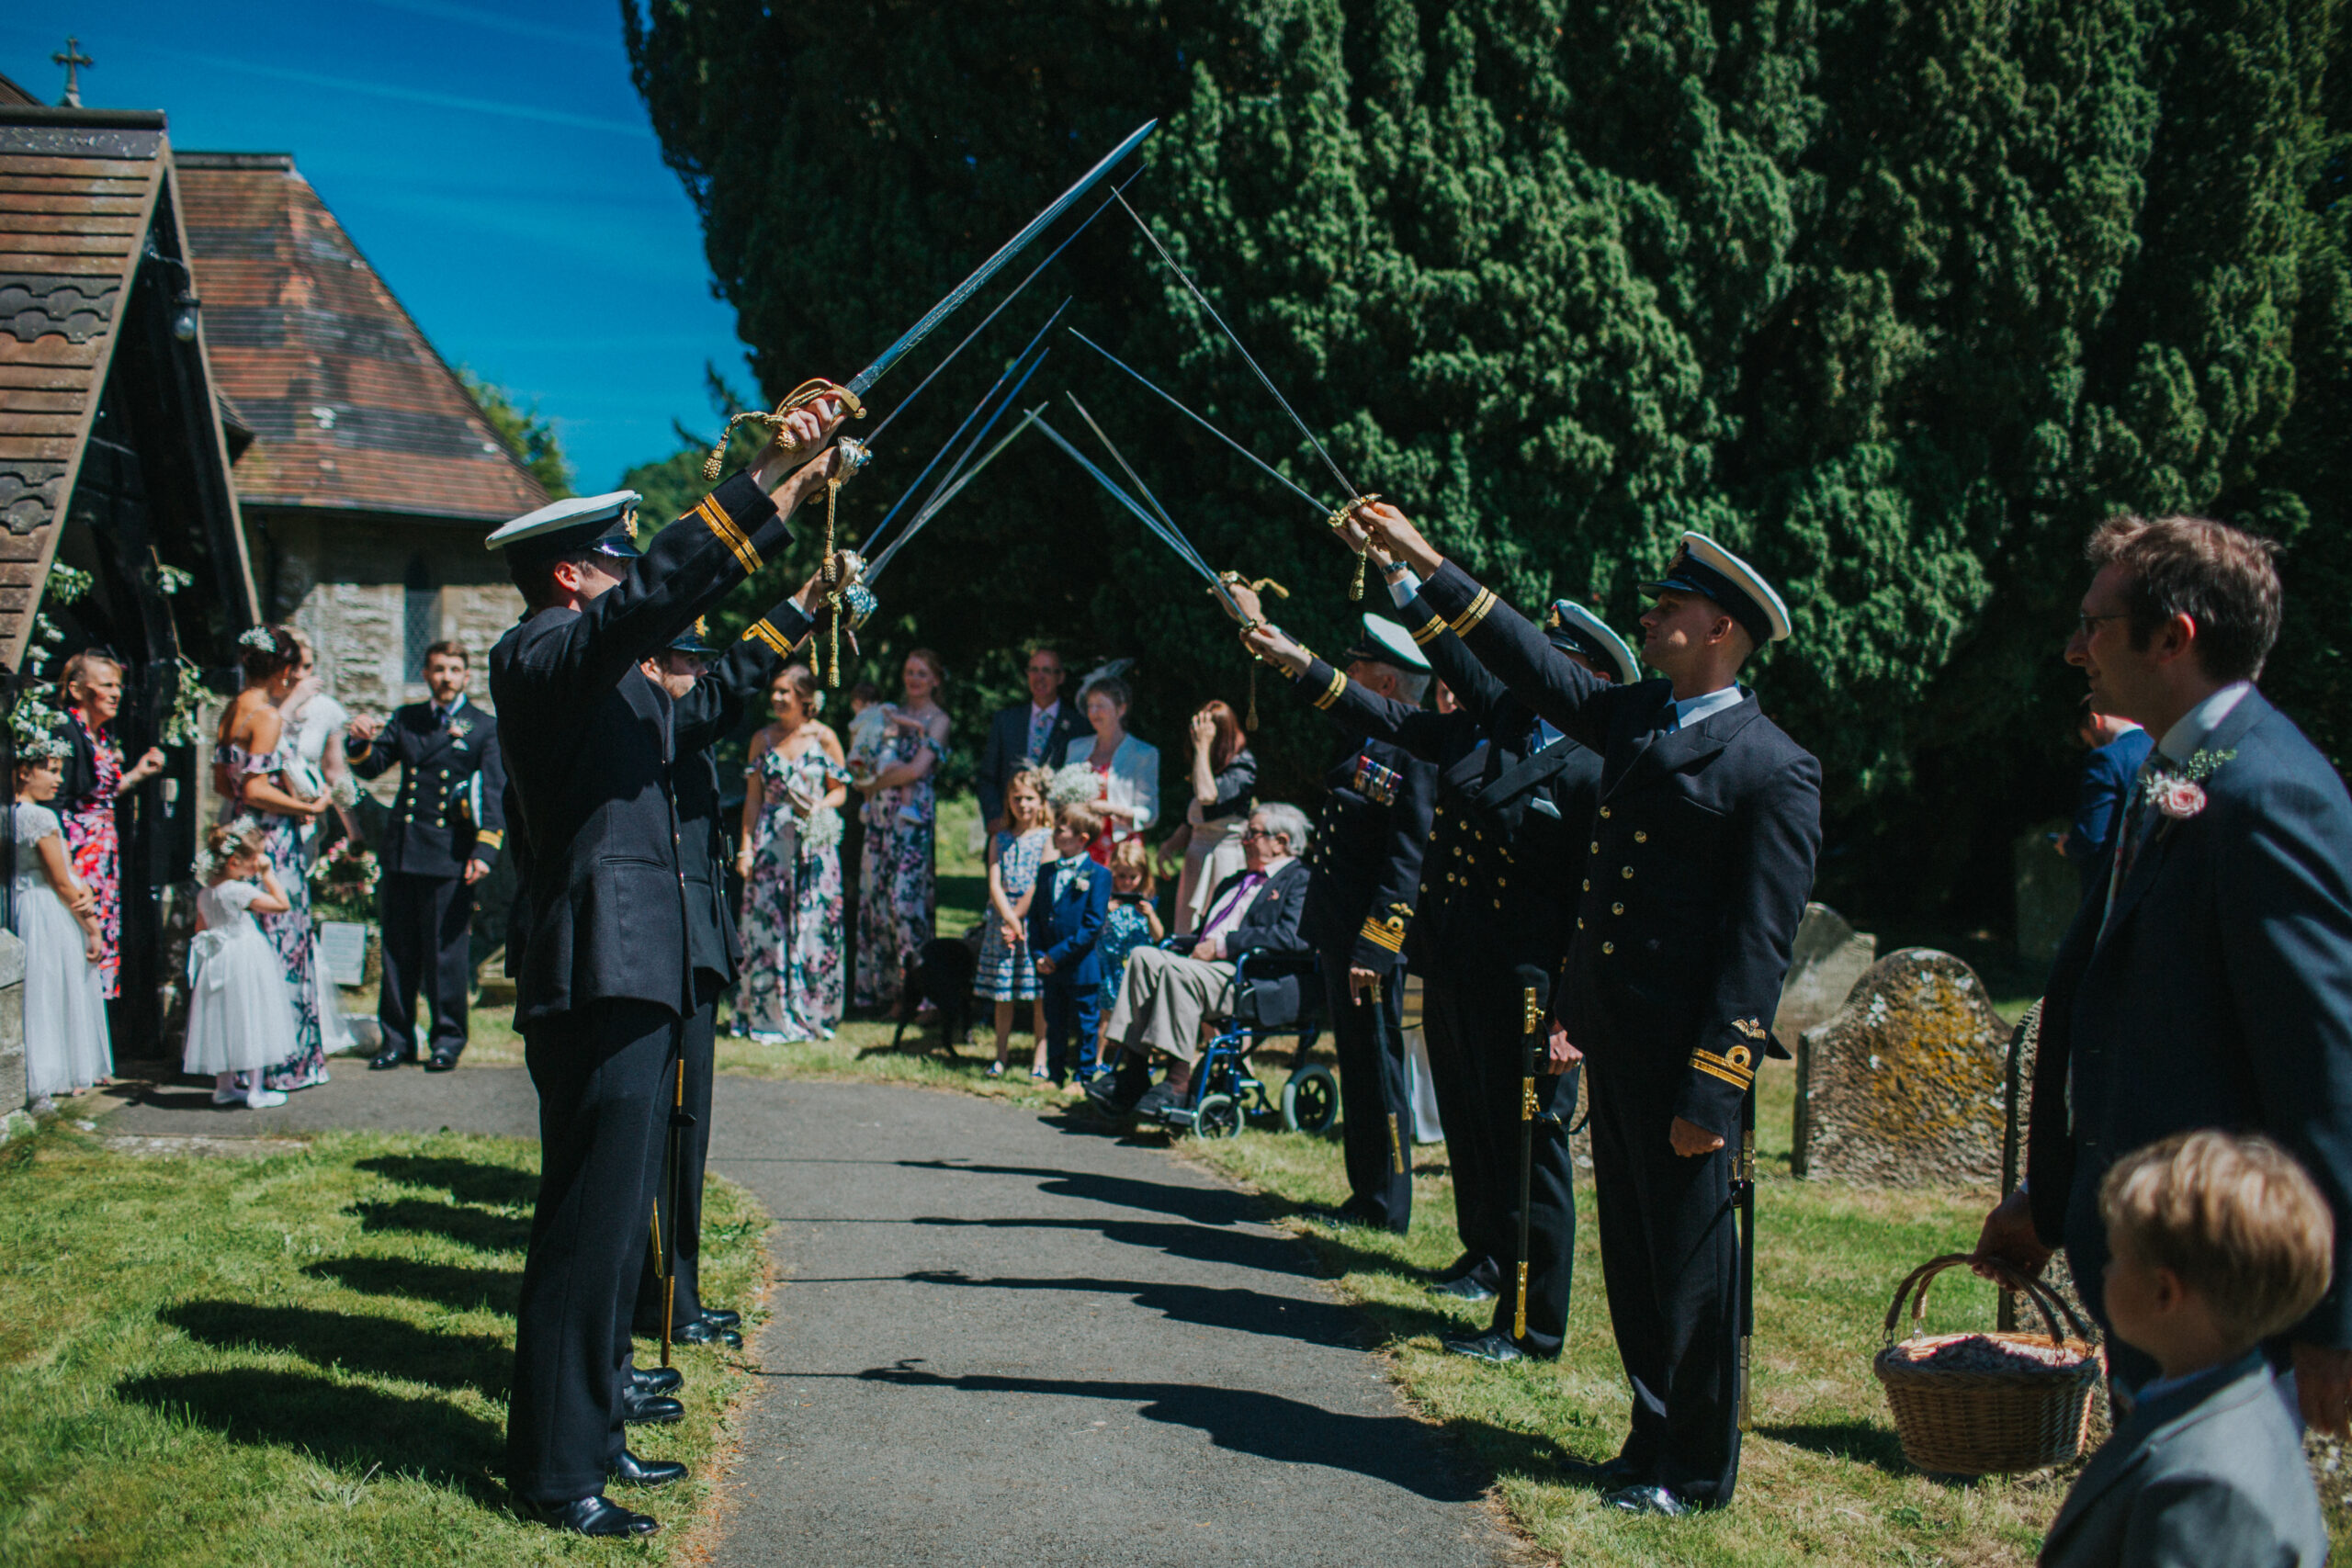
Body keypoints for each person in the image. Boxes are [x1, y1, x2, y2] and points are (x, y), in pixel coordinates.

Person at [1359, 503, 1822, 1517]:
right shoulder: (1639, 718)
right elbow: (1527, 665)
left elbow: (1756, 948)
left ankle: (1695, 1473)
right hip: (1615, 1037)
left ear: (1720, 631)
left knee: (1694, 1275)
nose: (1649, 617)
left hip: (1687, 1059)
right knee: (1637, 1261)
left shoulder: (1773, 767)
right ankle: (1647, 1438)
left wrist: (1718, 1084)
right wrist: (1423, 564)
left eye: (1671, 606)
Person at [487, 392, 845, 1540]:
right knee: (588, 1229)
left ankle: (590, 1436)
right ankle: (552, 1472)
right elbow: (661, 597)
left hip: (635, 967)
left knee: (608, 1224)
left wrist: (799, 487)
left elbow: (719, 679)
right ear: (570, 578)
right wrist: (758, 470)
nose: (627, 573)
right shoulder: (540, 653)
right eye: (612, 562)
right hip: (596, 966)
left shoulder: (620, 675)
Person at [1974, 513, 2352, 1434]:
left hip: (2230, 1302)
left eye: (2095, 623)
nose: (2074, 650)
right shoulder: (2171, 774)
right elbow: (2123, 1003)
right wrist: (2054, 1197)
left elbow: (2325, 1075)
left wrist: (2332, 1329)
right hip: (2153, 1281)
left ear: (2173, 637)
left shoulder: (2272, 796)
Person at [1235, 573, 1634, 1363]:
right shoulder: (1494, 730)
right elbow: (1378, 710)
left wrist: (1575, 1014)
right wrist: (1293, 658)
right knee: (1482, 1131)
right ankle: (1493, 1271)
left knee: (1533, 1154)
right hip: (1470, 967)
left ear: (1585, 677)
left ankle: (1533, 1323)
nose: (1525, 673)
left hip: (1536, 985)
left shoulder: (1596, 762)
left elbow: (1598, 905)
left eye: (1547, 661)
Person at [2039, 1130, 2331, 1568]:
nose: (2105, 1269)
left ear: (2163, 1293)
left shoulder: (2201, 1486)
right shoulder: (2246, 1400)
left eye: (2116, 1255)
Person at [1090, 805, 1313, 1120]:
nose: (1245, 839)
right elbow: (1201, 935)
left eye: (1253, 833)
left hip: (1250, 975)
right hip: (1207, 968)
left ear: (1281, 842)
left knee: (1177, 970)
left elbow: (1293, 937)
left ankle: (1178, 1082)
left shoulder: (1300, 880)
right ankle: (1134, 1072)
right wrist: (1196, 945)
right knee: (1144, 956)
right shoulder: (1236, 881)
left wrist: (1223, 946)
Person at [346, 640, 506, 1072]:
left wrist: (485, 849)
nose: (446, 677)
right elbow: (371, 766)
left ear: (466, 676)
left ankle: (447, 1040)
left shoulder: (483, 727)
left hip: (449, 854)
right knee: (399, 952)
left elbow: (493, 793)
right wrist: (357, 741)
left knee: (445, 954)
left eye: (454, 669)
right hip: (403, 852)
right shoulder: (408, 719)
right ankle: (396, 1041)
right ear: (426, 674)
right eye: (438, 669)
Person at [212, 626, 332, 1094]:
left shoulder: (230, 710)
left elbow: (225, 785)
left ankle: (241, 1064)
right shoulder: (267, 716)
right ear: (284, 670)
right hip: (271, 843)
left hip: (241, 832)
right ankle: (283, 1064)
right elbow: (254, 787)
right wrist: (308, 807)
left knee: (250, 946)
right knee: (283, 945)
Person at [733, 663, 848, 1044]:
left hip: (813, 845)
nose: (777, 698)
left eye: (785, 692)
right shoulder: (761, 739)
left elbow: (841, 790)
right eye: (775, 691)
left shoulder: (825, 738)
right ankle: (767, 1012)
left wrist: (819, 807)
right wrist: (745, 849)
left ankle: (812, 1011)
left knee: (813, 925)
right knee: (768, 927)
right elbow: (753, 799)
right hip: (771, 843)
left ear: (805, 698)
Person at [56, 649, 165, 1006]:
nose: (117, 693)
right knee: (80, 931)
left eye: (118, 686)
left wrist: (136, 773)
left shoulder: (100, 737)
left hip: (103, 854)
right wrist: (67, 866)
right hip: (78, 851)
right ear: (77, 690)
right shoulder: (66, 732)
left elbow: (99, 796)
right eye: (106, 685)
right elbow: (60, 801)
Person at [14, 737, 110, 1114]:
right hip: (44, 909)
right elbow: (61, 880)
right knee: (49, 993)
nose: (58, 779)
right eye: (50, 770)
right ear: (24, 771)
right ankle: (43, 1087)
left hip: (16, 904)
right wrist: (91, 927)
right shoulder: (39, 817)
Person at [852, 649, 950, 1012]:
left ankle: (921, 995)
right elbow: (862, 759)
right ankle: (891, 993)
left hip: (910, 823)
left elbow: (914, 771)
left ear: (935, 679)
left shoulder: (938, 720)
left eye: (922, 673)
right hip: (878, 820)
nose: (915, 679)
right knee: (877, 903)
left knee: (903, 903)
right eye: (910, 672)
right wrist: (871, 782)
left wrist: (874, 783)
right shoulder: (888, 714)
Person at [184, 820, 299, 1111]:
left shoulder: (206, 892)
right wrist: (268, 873)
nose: (256, 866)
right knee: (252, 1017)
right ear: (235, 862)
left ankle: (224, 1087)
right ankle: (255, 1089)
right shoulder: (237, 891)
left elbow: (201, 927)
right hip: (246, 957)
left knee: (225, 1019)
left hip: (219, 959)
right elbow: (282, 904)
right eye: (253, 861)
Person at [976, 766, 1051, 1078]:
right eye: (1017, 798)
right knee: (1002, 993)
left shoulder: (1048, 838)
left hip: (1032, 921)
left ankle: (1040, 1059)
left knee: (1038, 995)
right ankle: (1001, 1056)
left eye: (1030, 798)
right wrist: (1008, 918)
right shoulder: (1000, 838)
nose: (1023, 805)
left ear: (1041, 801)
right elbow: (994, 881)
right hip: (1002, 922)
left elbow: (1040, 882)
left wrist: (1018, 918)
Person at [1030, 801, 1112, 1087]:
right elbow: (1037, 918)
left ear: (1082, 839)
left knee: (1086, 1023)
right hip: (1050, 967)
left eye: (1061, 829)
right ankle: (1055, 1074)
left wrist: (1055, 955)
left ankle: (1084, 1076)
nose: (1054, 832)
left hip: (1081, 965)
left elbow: (1092, 925)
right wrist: (1038, 954)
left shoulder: (1099, 875)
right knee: (1055, 1022)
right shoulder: (1046, 872)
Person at [976, 646, 1083, 835]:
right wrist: (994, 817)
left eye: (1047, 671)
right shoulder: (1006, 721)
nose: (1039, 677)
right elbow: (987, 777)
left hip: (1057, 833)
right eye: (1034, 670)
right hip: (1009, 829)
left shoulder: (1078, 725)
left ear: (1061, 677)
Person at [1169, 699, 1255, 931]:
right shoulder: (1204, 764)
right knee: (1187, 924)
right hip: (1196, 856)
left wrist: (1203, 747)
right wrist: (1169, 846)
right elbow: (1193, 819)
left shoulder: (1242, 766)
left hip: (1223, 858)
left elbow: (1207, 796)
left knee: (1216, 921)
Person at [2058, 700, 2153, 901]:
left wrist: (2068, 846)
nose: (2091, 746)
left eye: (2088, 740)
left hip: (2119, 889)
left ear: (2094, 721)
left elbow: (2091, 838)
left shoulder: (2107, 759)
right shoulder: (2165, 744)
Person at [1062, 674, 1158, 865]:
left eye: (1101, 705)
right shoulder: (1076, 748)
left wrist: (1111, 809)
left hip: (1120, 848)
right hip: (1078, 844)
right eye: (1090, 706)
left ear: (1121, 709)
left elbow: (1150, 814)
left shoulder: (1143, 753)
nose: (1093, 712)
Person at [1094, 837, 1165, 1073]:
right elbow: (1093, 930)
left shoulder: (1147, 901)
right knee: (1106, 1015)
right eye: (1121, 876)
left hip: (1136, 971)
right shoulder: (1105, 898)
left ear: (1142, 876)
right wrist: (1105, 910)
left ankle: (1138, 1061)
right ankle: (1098, 1059)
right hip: (1111, 967)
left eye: (1132, 877)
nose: (1126, 882)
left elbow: (1158, 936)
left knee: (1140, 1016)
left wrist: (1150, 915)